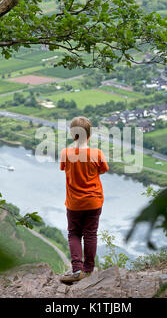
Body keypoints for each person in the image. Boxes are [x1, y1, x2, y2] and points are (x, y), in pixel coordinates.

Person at [59, 117, 109, 283]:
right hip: (94, 201)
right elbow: (103, 170)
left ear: (72, 134)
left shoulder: (66, 153)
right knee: (90, 234)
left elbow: (64, 168)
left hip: (74, 203)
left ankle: (76, 269)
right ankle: (88, 270)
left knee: (74, 233)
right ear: (90, 135)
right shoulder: (97, 154)